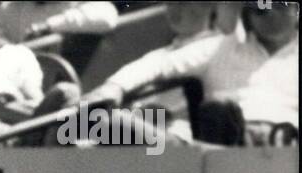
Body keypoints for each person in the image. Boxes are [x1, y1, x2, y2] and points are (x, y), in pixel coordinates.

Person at [84, 1, 224, 138]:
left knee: (107, 120)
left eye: (183, 3)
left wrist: (114, 87)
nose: (174, 9)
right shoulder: (164, 52)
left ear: (209, 6)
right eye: (170, 2)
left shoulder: (217, 45)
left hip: (180, 138)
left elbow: (164, 64)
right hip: (147, 130)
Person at [198, 0, 298, 142]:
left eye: (281, 5)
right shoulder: (220, 47)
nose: (271, 12)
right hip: (228, 142)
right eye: (261, 7)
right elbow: (159, 64)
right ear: (248, 14)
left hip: (288, 141)